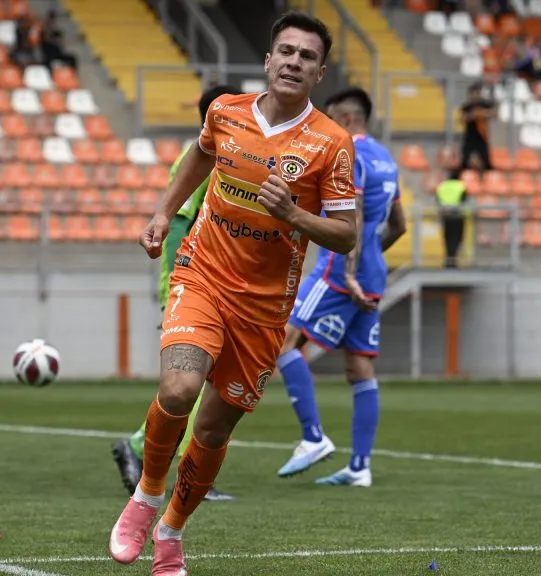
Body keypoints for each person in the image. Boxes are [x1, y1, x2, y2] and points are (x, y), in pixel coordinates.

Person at [108, 12, 357, 573]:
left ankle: (171, 532)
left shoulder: (331, 144)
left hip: (265, 308)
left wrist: (293, 213)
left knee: (213, 428)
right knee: (178, 388)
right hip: (203, 274)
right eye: (286, 51)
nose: (294, 61)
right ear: (268, 61)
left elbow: (346, 235)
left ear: (318, 73)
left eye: (307, 56)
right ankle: (147, 495)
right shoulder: (226, 112)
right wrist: (162, 211)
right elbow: (200, 153)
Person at [111, 84, 243, 503]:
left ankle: (143, 449)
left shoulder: (228, 155)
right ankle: (178, 469)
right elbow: (177, 227)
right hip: (191, 282)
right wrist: (175, 283)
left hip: (218, 285)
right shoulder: (206, 158)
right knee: (198, 381)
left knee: (204, 381)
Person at [274, 87, 407, 487]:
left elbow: (355, 215)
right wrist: (369, 262)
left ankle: (313, 438)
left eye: (330, 119)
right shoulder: (386, 159)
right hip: (375, 274)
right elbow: (398, 225)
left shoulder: (350, 155)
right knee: (359, 365)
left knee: (282, 339)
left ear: (346, 120)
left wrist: (350, 271)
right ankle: (360, 467)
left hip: (337, 272)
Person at [435, 169, 467, 268]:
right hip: (457, 216)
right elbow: (464, 200)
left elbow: (437, 200)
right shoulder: (460, 186)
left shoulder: (442, 186)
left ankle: (448, 260)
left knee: (447, 238)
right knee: (457, 238)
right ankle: (453, 260)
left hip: (446, 216)